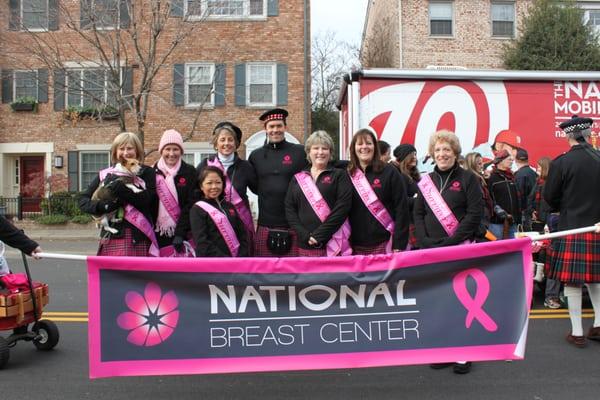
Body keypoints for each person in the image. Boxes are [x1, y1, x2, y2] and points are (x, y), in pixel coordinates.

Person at [413, 130, 483, 374]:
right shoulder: (427, 181)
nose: (442, 154)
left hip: (459, 248)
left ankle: (464, 353)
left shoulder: (468, 179)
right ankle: (444, 351)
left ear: (455, 153)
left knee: (461, 302)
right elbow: (418, 213)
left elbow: (475, 214)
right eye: (438, 150)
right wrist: (424, 240)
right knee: (439, 302)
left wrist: (453, 240)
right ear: (432, 154)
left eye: (447, 150)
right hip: (431, 250)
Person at [543, 115, 600, 348]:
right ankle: (598, 325)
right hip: (597, 228)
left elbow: (550, 198)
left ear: (568, 136)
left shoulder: (561, 163)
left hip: (572, 227)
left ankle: (577, 332)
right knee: (596, 281)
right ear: (588, 134)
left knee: (572, 282)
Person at [79, 132, 158, 256]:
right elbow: (82, 201)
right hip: (113, 235)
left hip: (138, 235)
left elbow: (148, 201)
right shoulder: (106, 174)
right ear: (115, 152)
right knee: (113, 275)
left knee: (139, 275)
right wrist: (103, 206)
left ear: (137, 151)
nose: (126, 152)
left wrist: (122, 190)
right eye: (121, 148)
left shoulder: (147, 172)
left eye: (130, 148)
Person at [248, 108, 308, 257]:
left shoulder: (300, 152)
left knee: (293, 276)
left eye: (279, 126)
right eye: (271, 126)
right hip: (265, 224)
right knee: (264, 276)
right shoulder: (256, 156)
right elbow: (254, 186)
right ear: (265, 129)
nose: (275, 130)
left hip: (294, 224)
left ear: (285, 127)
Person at [285, 131, 352, 257]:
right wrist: (304, 235)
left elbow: (343, 207)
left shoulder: (339, 175)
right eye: (316, 148)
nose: (320, 152)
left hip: (333, 242)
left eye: (324, 148)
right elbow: (290, 209)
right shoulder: (298, 178)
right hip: (305, 242)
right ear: (309, 152)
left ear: (330, 152)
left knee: (334, 277)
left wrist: (320, 235)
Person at [197, 122, 256, 254]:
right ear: (216, 144)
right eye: (222, 140)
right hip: (213, 224)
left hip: (241, 224)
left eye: (230, 140)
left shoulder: (246, 167)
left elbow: (259, 189)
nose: (226, 143)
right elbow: (196, 193)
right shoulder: (205, 165)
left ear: (236, 144)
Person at [347, 128, 409, 254]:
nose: (364, 147)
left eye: (369, 143)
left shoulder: (390, 172)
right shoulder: (347, 174)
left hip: (385, 242)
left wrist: (399, 244)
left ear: (375, 147)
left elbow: (401, 208)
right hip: (355, 245)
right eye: (360, 144)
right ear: (353, 148)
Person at [153, 129, 197, 257]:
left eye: (176, 149)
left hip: (184, 233)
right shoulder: (151, 172)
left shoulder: (190, 172)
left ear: (181, 151)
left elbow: (191, 205)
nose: (171, 153)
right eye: (167, 149)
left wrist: (180, 233)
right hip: (157, 233)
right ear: (161, 151)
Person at [190, 166, 248, 257]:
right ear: (201, 186)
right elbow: (202, 242)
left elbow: (243, 234)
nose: (214, 187)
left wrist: (241, 255)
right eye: (209, 183)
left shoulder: (230, 206)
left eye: (218, 182)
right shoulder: (197, 209)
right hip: (213, 263)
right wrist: (225, 259)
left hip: (237, 261)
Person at [529, 156, 561, 309]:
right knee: (542, 256)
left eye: (540, 168)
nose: (537, 170)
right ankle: (545, 294)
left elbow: (546, 204)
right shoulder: (539, 183)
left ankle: (543, 292)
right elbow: (531, 201)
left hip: (547, 223)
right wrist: (533, 212)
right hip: (542, 224)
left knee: (544, 256)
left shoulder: (546, 184)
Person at [487, 149, 520, 240]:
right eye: (509, 159)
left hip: (512, 222)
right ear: (500, 161)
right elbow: (489, 200)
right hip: (497, 223)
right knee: (497, 250)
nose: (512, 162)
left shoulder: (511, 177)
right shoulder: (491, 178)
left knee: (513, 250)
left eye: (512, 160)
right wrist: (500, 213)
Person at [392, 143, 420, 248]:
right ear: (404, 156)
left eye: (415, 155)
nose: (415, 158)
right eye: (412, 155)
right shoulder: (398, 175)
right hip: (407, 222)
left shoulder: (412, 173)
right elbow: (401, 200)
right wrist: (419, 200)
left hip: (415, 220)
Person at [465, 152, 494, 240]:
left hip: (483, 219)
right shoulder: (472, 179)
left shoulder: (478, 178)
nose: (482, 166)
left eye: (482, 163)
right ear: (472, 164)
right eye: (479, 163)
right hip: (479, 222)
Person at [514, 148, 537, 231]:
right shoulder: (534, 173)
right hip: (534, 211)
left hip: (525, 212)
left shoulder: (519, 175)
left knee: (526, 237)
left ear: (515, 159)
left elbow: (519, 196)